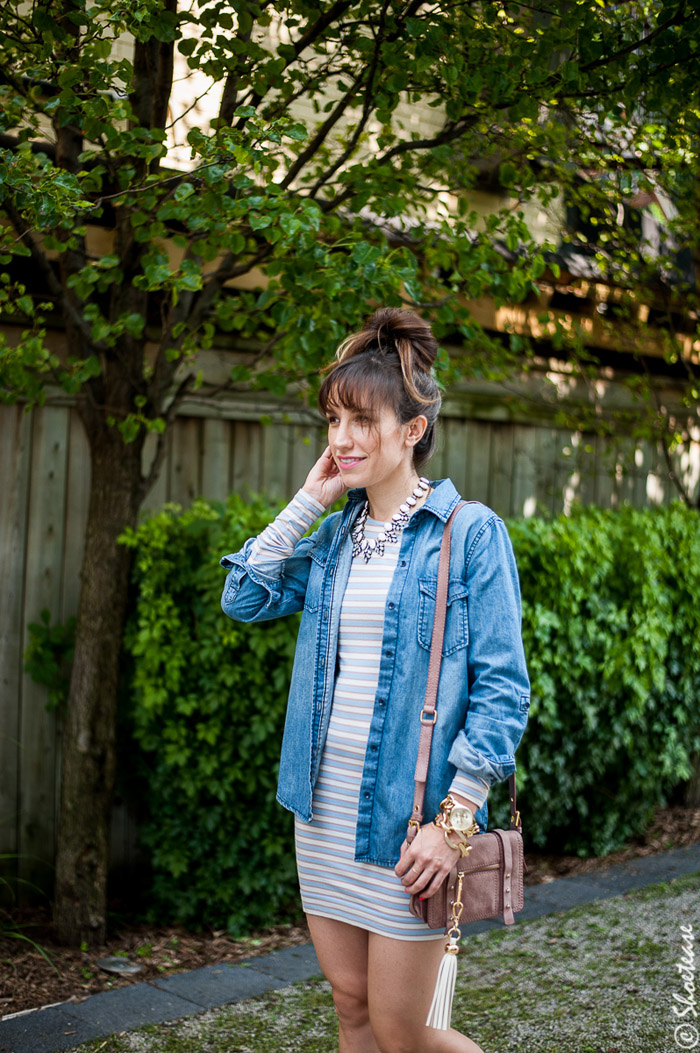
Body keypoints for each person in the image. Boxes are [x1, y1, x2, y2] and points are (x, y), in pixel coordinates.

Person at [220, 307, 530, 1053]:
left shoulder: (468, 532)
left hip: (410, 821)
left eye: (361, 419)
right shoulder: (334, 538)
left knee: (399, 1028)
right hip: (321, 811)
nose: (342, 438)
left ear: (412, 430)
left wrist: (455, 821)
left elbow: (503, 688)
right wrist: (310, 500)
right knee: (352, 1008)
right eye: (333, 419)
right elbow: (244, 595)